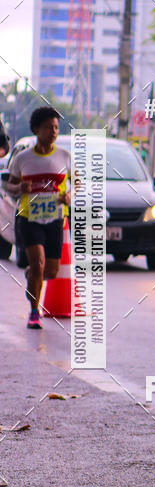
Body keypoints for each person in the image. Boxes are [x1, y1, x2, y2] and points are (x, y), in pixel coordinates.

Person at [7, 107, 70, 328]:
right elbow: (10, 185)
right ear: (36, 130)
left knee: (50, 271)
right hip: (29, 218)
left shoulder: (64, 156)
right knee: (39, 262)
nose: (53, 131)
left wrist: (70, 195)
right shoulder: (23, 158)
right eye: (47, 127)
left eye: (55, 127)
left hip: (55, 219)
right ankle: (34, 312)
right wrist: (19, 187)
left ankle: (31, 274)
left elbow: (78, 182)